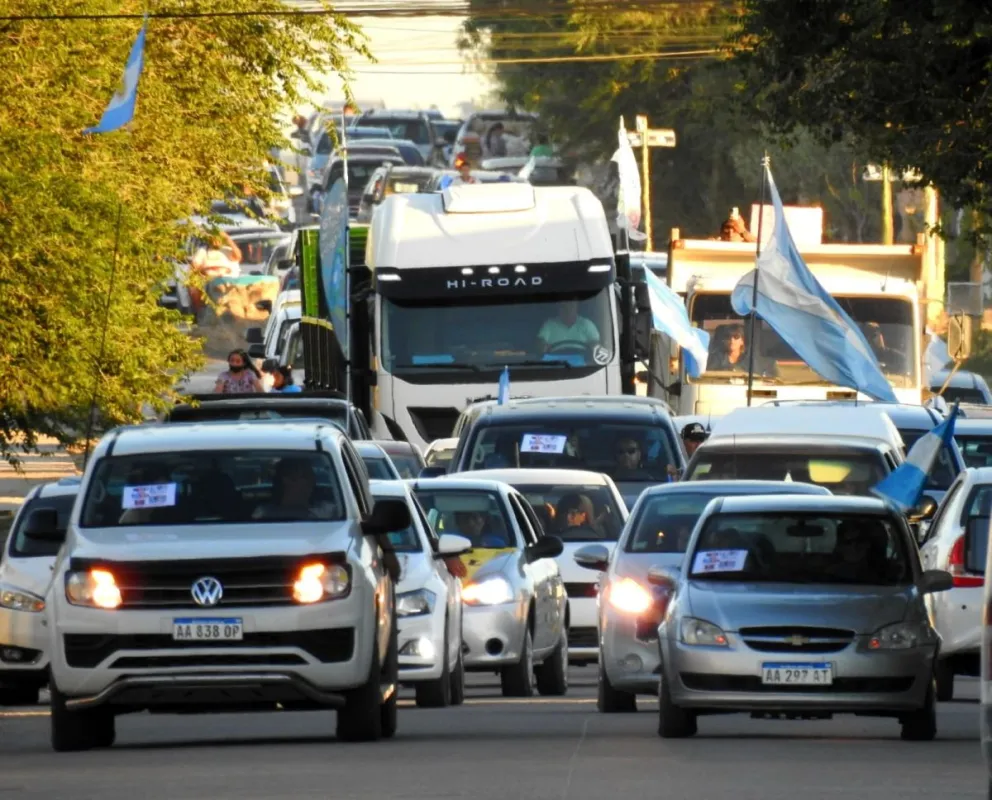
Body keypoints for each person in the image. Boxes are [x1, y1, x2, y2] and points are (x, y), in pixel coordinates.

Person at [253, 457, 335, 520]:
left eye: (312, 477)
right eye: (306, 476)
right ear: (286, 480)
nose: (312, 482)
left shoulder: (329, 512)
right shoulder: (264, 515)